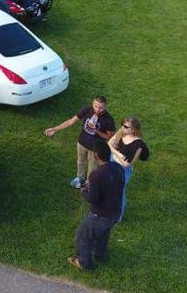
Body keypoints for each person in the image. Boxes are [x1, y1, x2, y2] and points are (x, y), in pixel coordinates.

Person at [67, 140, 124, 271]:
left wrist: (84, 191)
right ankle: (100, 255)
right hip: (115, 213)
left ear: (96, 156)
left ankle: (84, 263)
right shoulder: (118, 168)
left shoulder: (96, 175)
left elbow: (92, 199)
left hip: (100, 215)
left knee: (83, 234)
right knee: (103, 234)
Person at [43, 95, 116, 188]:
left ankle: (89, 183)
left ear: (105, 107)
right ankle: (80, 178)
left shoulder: (108, 119)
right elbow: (71, 121)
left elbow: (109, 136)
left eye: (101, 108)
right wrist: (55, 129)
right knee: (81, 161)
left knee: (92, 166)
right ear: (92, 104)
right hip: (82, 142)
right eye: (95, 106)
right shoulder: (87, 110)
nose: (97, 110)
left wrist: (96, 130)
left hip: (95, 147)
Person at [108, 117, 149, 222]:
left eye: (126, 127)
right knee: (110, 189)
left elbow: (127, 164)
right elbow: (109, 143)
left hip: (122, 171)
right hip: (112, 163)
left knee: (120, 193)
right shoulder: (122, 132)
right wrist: (118, 154)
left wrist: (116, 154)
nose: (122, 127)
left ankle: (118, 217)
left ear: (133, 129)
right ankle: (108, 209)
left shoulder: (138, 145)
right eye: (122, 125)